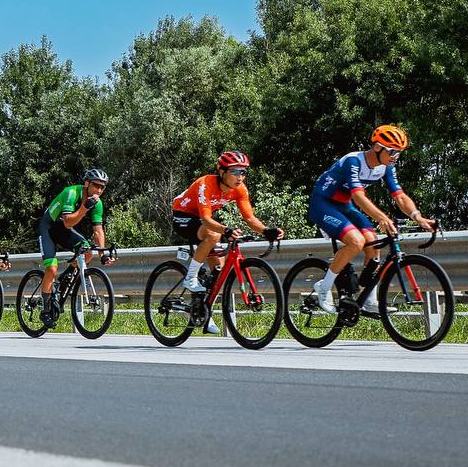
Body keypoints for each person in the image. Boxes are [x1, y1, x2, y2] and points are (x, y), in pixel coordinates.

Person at [306, 125, 435, 315]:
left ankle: (368, 299)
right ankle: (323, 288)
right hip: (323, 203)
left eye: (399, 153)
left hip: (344, 205)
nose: (395, 157)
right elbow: (358, 197)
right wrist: (382, 218)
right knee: (356, 241)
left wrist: (418, 216)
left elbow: (399, 196)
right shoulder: (353, 161)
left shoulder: (386, 167)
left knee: (374, 244)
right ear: (377, 147)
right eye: (392, 151)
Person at [171, 152, 284, 334]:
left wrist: (265, 230)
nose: (240, 176)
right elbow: (206, 220)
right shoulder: (205, 184)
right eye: (235, 171)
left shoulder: (240, 189)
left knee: (219, 272)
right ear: (222, 172)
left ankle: (203, 312)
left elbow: (249, 218)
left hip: (202, 220)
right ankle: (190, 277)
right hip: (183, 215)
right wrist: (226, 230)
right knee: (214, 235)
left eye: (243, 172)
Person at [37, 169, 113, 326]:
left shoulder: (97, 203)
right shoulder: (71, 192)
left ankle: (63, 280)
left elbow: (98, 230)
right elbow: (68, 222)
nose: (99, 190)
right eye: (96, 186)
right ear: (87, 183)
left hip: (64, 230)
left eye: (102, 187)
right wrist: (85, 208)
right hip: (49, 227)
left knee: (87, 252)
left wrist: (103, 254)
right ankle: (45, 309)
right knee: (51, 269)